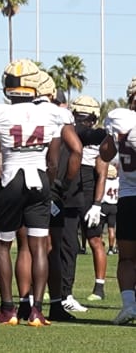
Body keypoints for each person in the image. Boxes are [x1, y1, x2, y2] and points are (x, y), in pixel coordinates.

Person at [0, 59, 72, 327]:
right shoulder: (53, 113)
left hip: (10, 180)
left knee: (2, 246)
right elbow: (54, 162)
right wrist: (48, 188)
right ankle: (37, 311)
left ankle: (8, 309)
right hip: (39, 180)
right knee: (38, 246)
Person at [99, 76, 136, 325]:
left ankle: (129, 306)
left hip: (129, 197)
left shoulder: (120, 117)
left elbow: (106, 152)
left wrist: (116, 136)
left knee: (127, 258)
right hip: (126, 196)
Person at [68, 95, 108, 303]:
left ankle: (99, 286)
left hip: (90, 187)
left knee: (94, 240)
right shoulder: (67, 131)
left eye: (86, 118)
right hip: (69, 185)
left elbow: (102, 173)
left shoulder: (99, 138)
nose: (83, 121)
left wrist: (97, 203)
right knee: (64, 240)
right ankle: (61, 286)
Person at [102, 164, 119, 255]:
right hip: (114, 206)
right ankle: (111, 249)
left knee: (99, 229)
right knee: (111, 228)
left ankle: (101, 246)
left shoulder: (104, 181)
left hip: (104, 205)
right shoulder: (117, 181)